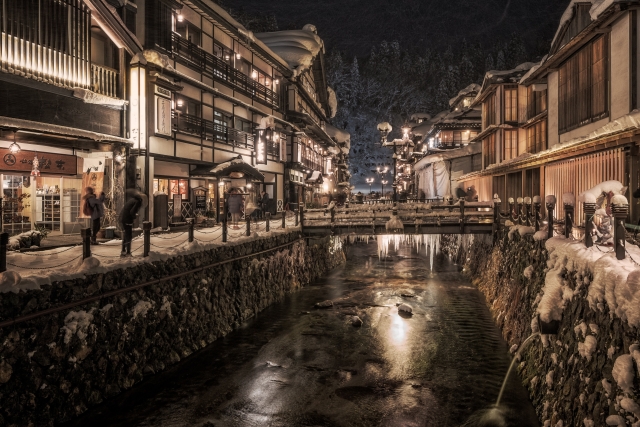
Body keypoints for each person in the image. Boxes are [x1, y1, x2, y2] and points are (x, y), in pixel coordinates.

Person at [118, 190, 145, 257]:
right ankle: (128, 252)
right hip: (127, 219)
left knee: (126, 235)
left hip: (123, 218)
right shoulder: (138, 202)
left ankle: (123, 251)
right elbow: (132, 211)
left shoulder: (132, 200)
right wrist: (134, 217)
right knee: (128, 236)